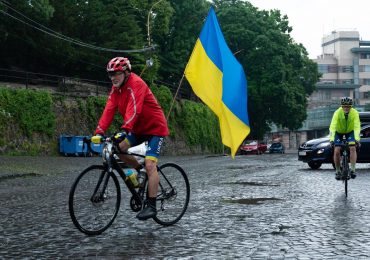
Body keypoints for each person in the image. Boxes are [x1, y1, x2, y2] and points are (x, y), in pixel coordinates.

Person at [94, 57, 169, 220]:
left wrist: (124, 130)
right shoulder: (116, 90)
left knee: (150, 164)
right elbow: (109, 109)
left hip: (155, 128)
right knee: (118, 149)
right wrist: (99, 132)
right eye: (110, 74)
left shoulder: (137, 84)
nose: (113, 77)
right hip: (138, 129)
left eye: (117, 74)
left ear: (127, 72)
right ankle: (138, 170)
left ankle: (151, 206)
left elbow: (134, 110)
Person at [329, 97, 361, 180]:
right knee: (336, 150)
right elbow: (333, 126)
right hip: (338, 132)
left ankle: (353, 170)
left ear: (351, 107)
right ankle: (338, 171)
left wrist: (357, 139)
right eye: (344, 106)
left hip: (350, 132)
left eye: (348, 106)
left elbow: (357, 126)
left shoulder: (355, 113)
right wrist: (332, 139)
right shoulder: (337, 113)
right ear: (342, 106)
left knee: (353, 148)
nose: (346, 108)